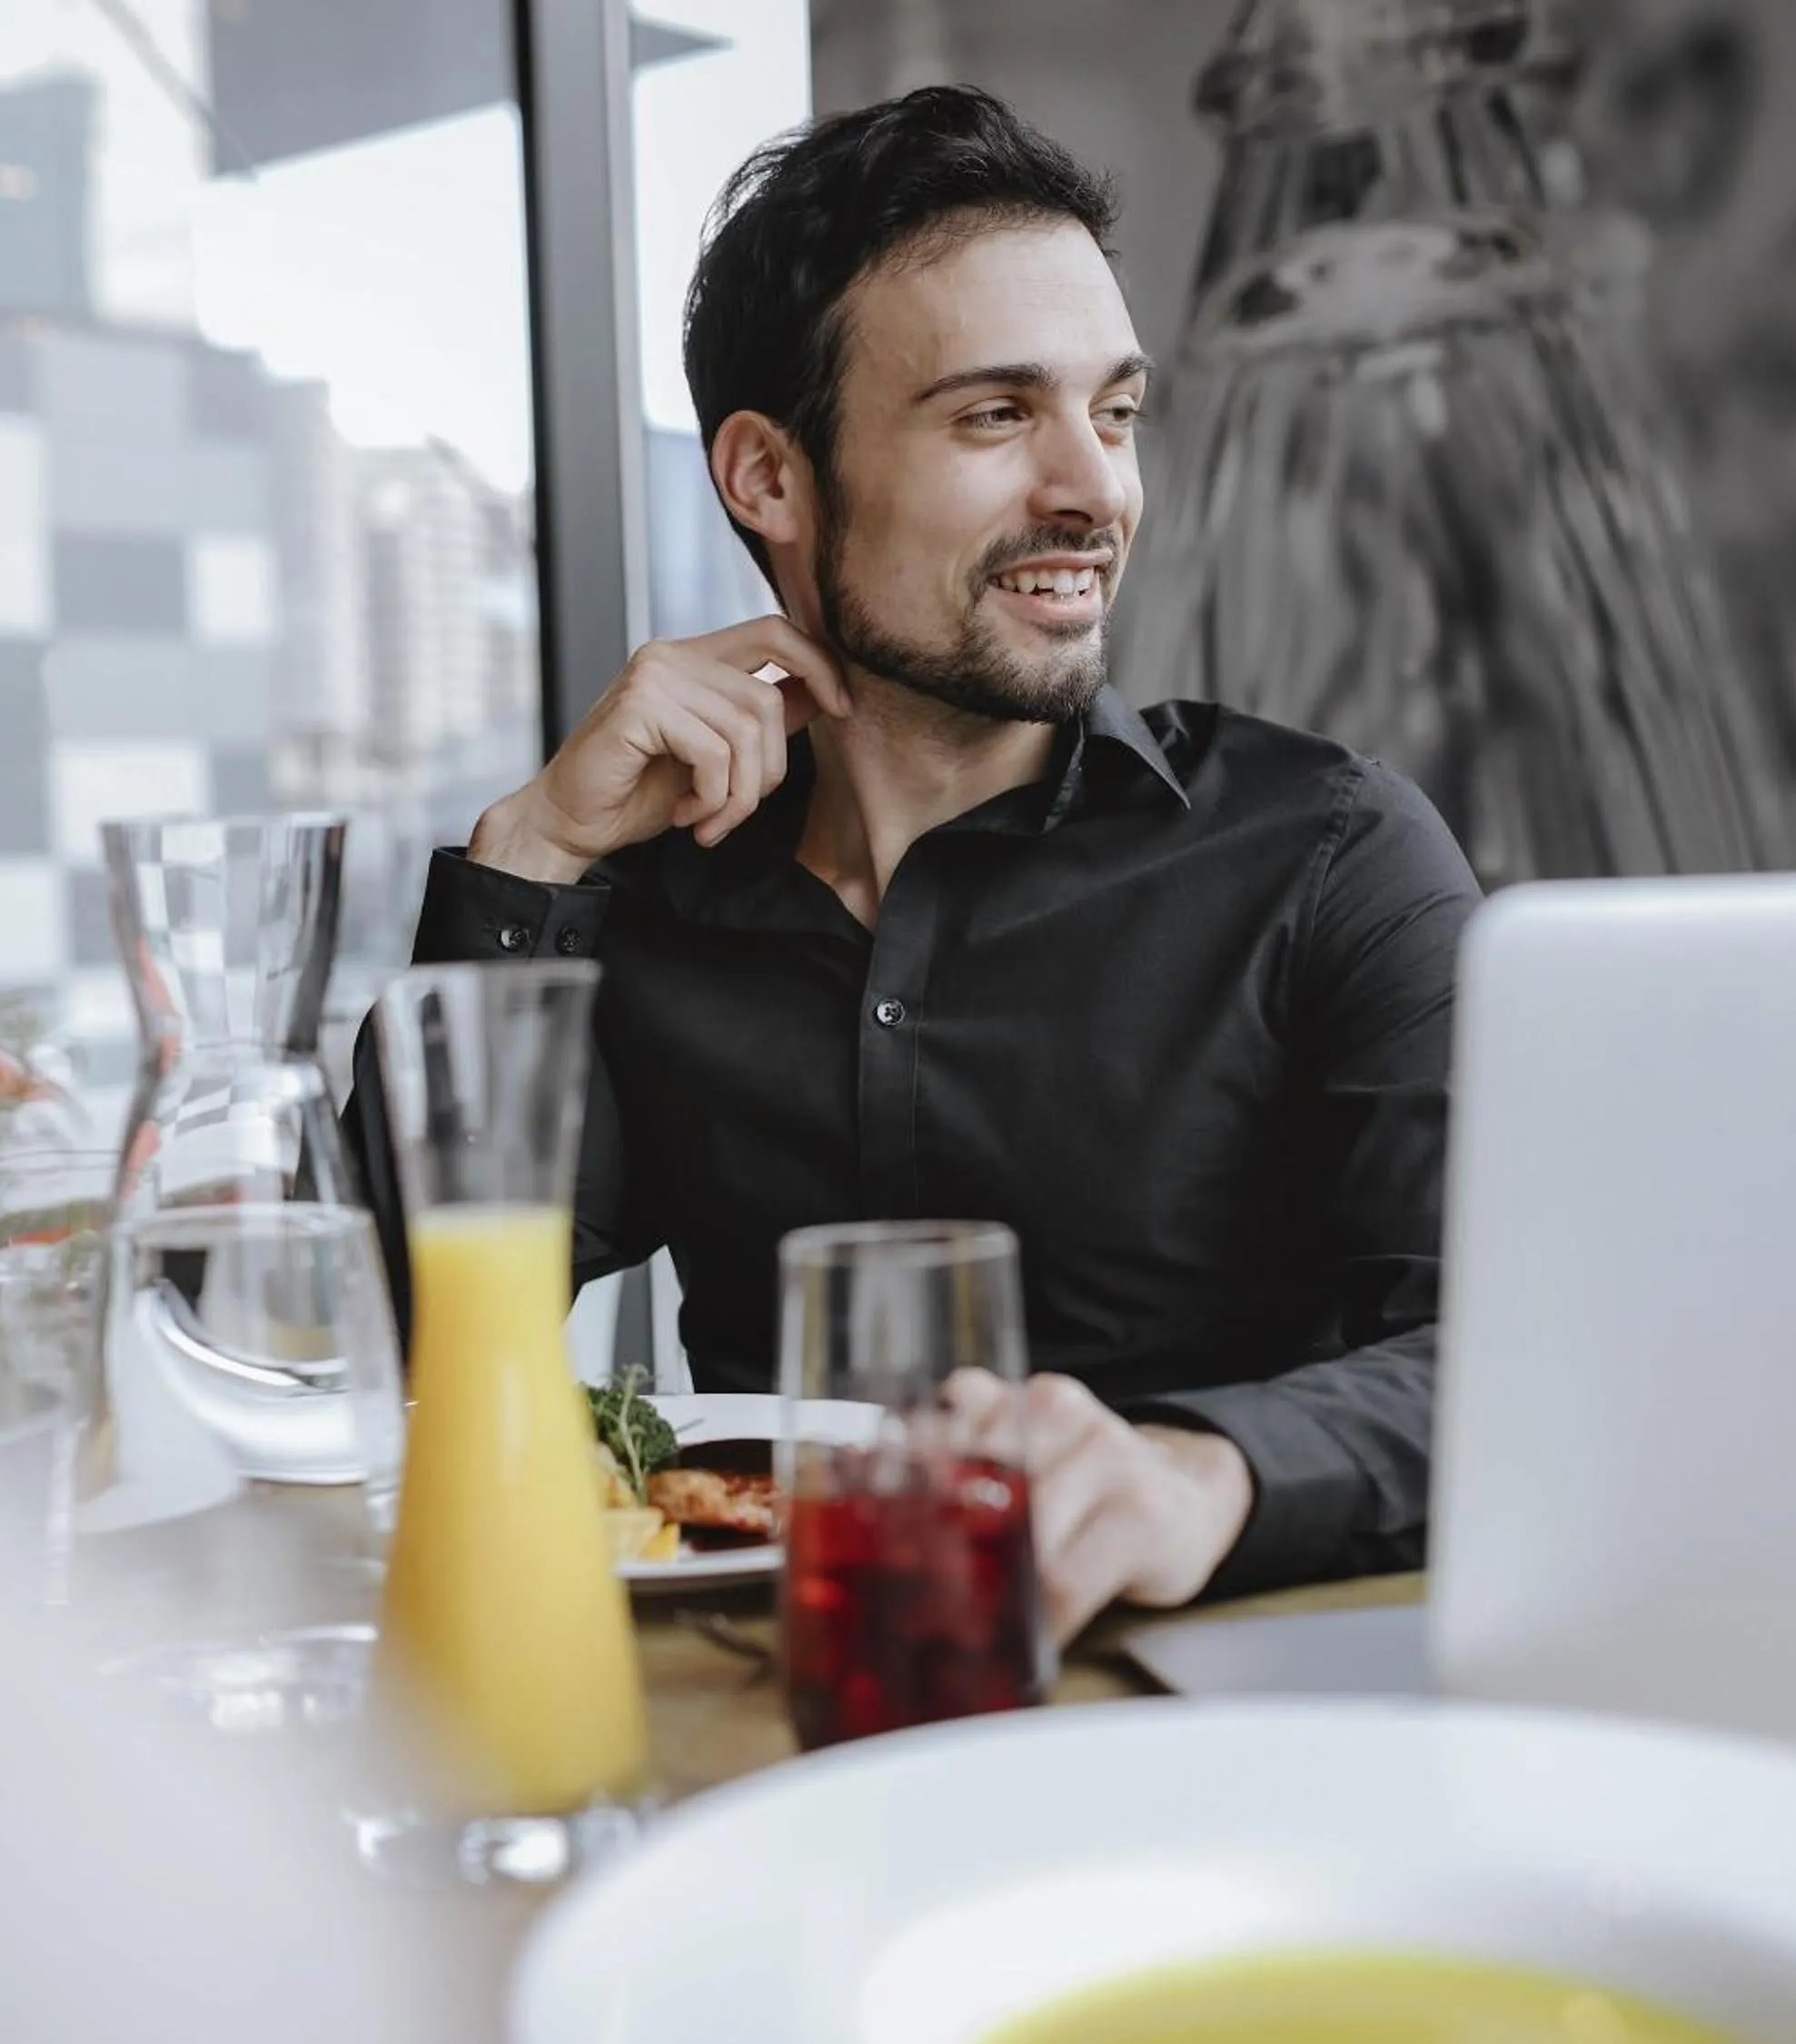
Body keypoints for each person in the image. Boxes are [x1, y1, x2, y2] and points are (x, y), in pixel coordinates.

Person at [353, 86, 1480, 1642]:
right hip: (765, 1731)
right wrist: (528, 853)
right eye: (998, 414)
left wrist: (1199, 1475)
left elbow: (1505, 1352)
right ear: (769, 480)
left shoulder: (1334, 858)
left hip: (1210, 1733)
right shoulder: (643, 903)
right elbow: (362, 1333)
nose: (1094, 489)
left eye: (1117, 410)